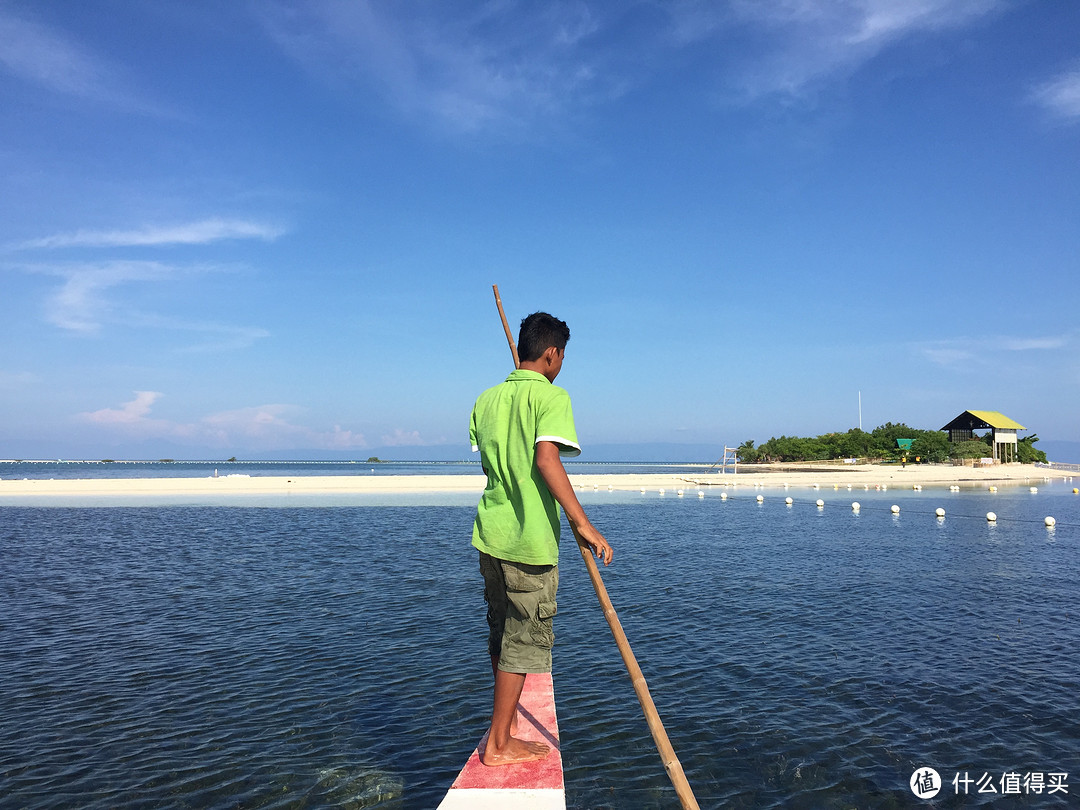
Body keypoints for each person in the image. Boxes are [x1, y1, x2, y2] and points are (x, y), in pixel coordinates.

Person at [469, 311, 613, 767]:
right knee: (525, 639)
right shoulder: (551, 396)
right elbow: (546, 459)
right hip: (528, 542)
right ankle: (499, 744)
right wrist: (583, 522)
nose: (562, 364)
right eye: (563, 356)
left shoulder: (486, 399)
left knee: (502, 631)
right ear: (551, 353)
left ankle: (503, 728)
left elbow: (499, 465)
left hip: (490, 535)